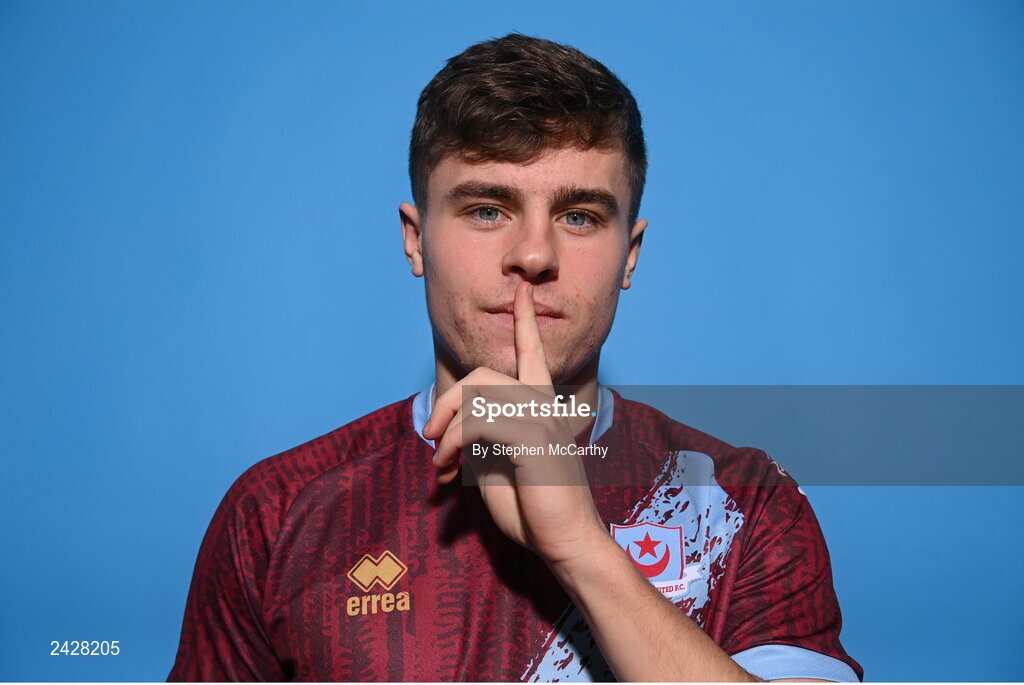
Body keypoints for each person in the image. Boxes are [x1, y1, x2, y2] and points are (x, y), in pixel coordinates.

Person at [168, 33, 862, 682]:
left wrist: (582, 550)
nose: (533, 255)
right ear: (415, 240)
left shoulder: (741, 502)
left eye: (580, 215)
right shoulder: (277, 512)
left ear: (631, 254)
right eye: (487, 209)